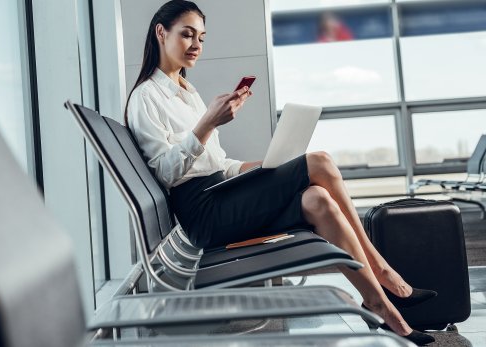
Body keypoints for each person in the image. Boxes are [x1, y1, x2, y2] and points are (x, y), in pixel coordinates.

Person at [124, 1, 435, 345]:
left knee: (318, 200)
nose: (196, 44)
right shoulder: (146, 97)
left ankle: (378, 303)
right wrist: (206, 125)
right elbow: (167, 174)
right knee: (320, 161)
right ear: (160, 33)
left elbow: (218, 164)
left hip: (221, 197)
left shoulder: (188, 93)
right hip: (204, 215)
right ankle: (381, 269)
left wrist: (262, 167)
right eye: (187, 34)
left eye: (201, 37)